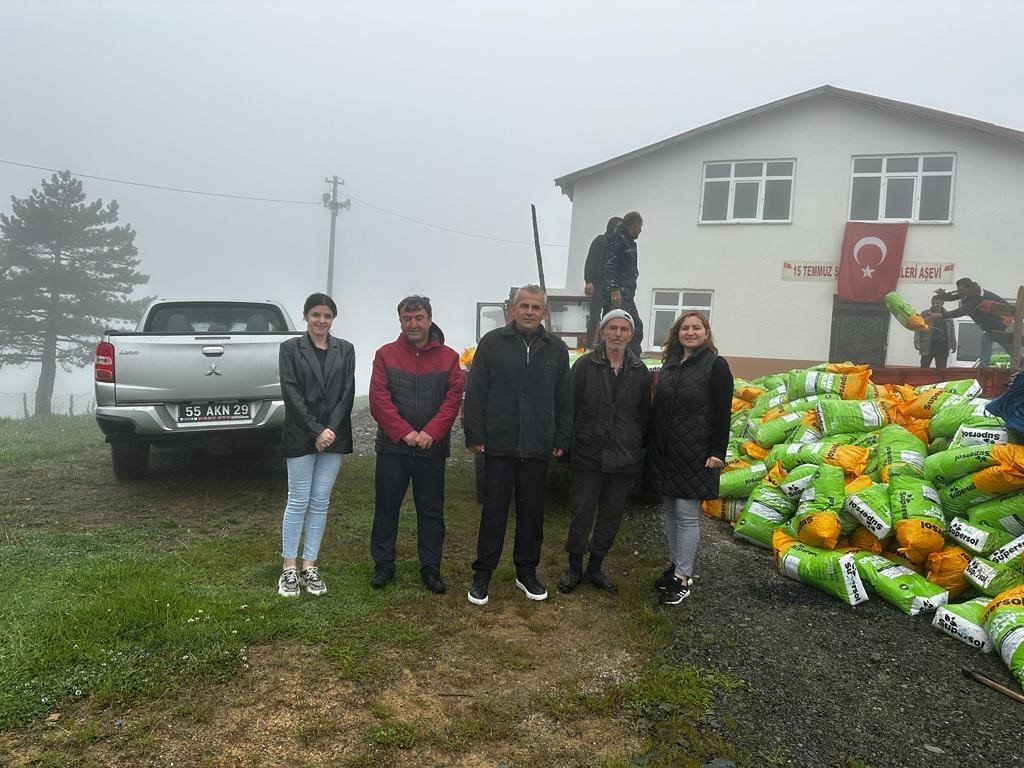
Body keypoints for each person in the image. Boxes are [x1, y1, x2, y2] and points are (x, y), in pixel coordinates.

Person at [463, 284, 573, 605]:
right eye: (523, 306)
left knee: (532, 513)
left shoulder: (556, 349)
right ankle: (482, 574)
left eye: (535, 307)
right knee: (494, 512)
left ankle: (526, 572)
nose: (529, 312)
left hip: (538, 444)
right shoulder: (492, 343)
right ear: (512, 309)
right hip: (499, 442)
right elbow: (476, 391)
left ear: (544, 313)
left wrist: (560, 437)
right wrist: (475, 434)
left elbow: (564, 398)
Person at [368, 295, 464, 594]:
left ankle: (431, 568)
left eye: (419, 318)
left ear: (429, 319)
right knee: (386, 509)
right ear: (400, 321)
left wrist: (432, 432)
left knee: (431, 511)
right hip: (393, 449)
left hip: (431, 450)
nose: (413, 324)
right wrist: (404, 432)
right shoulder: (385, 355)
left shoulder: (449, 358)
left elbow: (452, 400)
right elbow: (378, 399)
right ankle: (383, 565)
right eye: (407, 319)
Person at [557, 309, 651, 594]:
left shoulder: (639, 371)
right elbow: (569, 406)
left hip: (623, 455)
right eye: (613, 328)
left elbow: (643, 414)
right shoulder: (585, 365)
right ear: (602, 331)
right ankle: (574, 567)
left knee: (611, 515)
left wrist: (636, 445)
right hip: (589, 452)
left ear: (631, 335)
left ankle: (596, 567)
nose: (618, 334)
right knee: (582, 512)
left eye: (624, 329)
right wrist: (568, 443)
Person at [644, 310, 733, 605]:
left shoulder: (716, 365)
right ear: (677, 333)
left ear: (706, 333)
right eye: (685, 328)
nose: (690, 332)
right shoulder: (670, 364)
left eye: (697, 328)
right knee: (670, 512)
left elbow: (722, 413)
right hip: (666, 451)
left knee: (685, 514)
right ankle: (674, 566)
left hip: (696, 453)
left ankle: (683, 577)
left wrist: (717, 451)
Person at [277, 293, 355, 597]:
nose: (321, 321)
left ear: (333, 318)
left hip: (334, 436)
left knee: (320, 500)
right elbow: (291, 393)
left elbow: (347, 392)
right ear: (306, 316)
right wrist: (316, 430)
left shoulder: (345, 349)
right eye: (316, 315)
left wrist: (330, 430)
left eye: (327, 316)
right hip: (301, 433)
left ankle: (310, 565)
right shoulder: (289, 349)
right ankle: (289, 567)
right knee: (298, 500)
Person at [935, 278, 1013, 366]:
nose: (960, 292)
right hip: (993, 323)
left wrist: (942, 315)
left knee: (987, 340)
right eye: (958, 290)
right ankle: (1019, 359)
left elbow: (962, 311)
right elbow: (953, 297)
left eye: (961, 290)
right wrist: (943, 295)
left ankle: (983, 366)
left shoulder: (977, 297)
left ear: (969, 287)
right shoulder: (969, 292)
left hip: (1000, 320)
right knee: (1002, 342)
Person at [603, 211, 644, 357]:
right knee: (618, 326)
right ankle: (611, 356)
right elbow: (610, 266)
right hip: (619, 294)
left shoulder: (628, 241)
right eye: (639, 226)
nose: (640, 230)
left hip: (627, 293)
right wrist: (614, 289)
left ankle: (632, 358)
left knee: (635, 326)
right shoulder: (618, 240)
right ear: (632, 225)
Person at [584, 216, 622, 348]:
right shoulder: (600, 240)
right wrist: (589, 281)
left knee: (608, 315)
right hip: (598, 283)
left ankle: (602, 345)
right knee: (595, 316)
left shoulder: (618, 246)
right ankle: (589, 345)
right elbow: (590, 261)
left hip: (611, 286)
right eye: (618, 227)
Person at [915, 295, 957, 368]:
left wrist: (954, 344)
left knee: (941, 369)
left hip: (943, 346)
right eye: (933, 303)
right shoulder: (924, 314)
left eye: (937, 303)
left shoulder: (947, 315)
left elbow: (952, 331)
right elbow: (918, 329)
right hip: (928, 345)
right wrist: (916, 341)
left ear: (942, 303)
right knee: (924, 367)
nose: (935, 305)